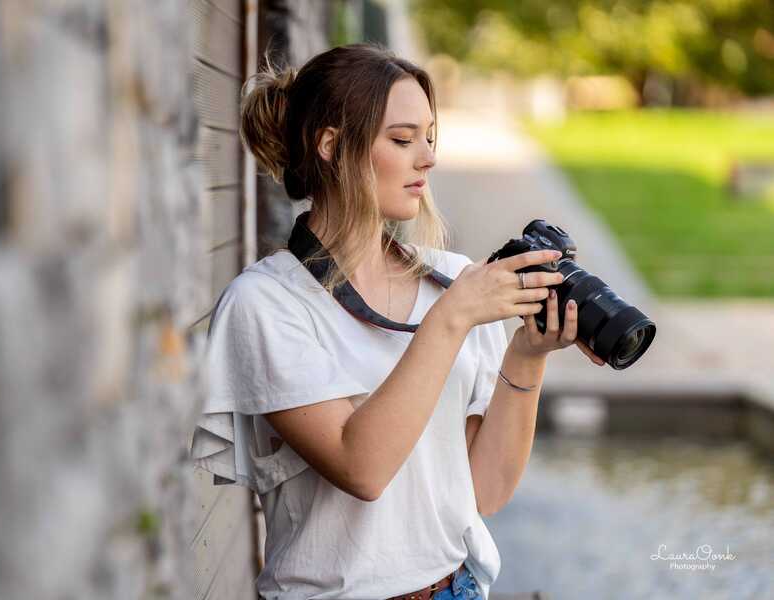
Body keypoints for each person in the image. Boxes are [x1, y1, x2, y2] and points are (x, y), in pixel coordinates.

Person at [189, 43, 603, 600]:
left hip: (457, 587)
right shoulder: (266, 304)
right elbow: (363, 467)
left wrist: (527, 355)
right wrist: (452, 317)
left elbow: (482, 490)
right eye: (403, 139)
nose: (427, 159)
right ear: (332, 145)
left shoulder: (453, 279)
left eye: (430, 138)